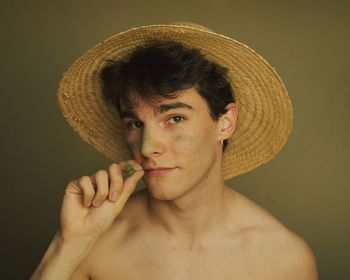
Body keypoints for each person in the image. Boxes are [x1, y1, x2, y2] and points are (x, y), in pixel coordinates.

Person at [31, 22, 318, 280]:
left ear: (225, 123)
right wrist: (68, 244)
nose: (147, 147)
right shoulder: (95, 241)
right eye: (135, 123)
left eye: (175, 118)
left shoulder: (284, 260)